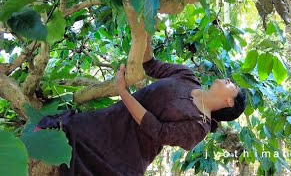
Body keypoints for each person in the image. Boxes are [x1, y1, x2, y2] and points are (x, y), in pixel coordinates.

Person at [35, 36, 247, 176]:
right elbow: (150, 64)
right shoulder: (188, 76)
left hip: (125, 156)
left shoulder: (199, 127)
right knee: (64, 131)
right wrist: (144, 30)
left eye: (233, 86)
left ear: (229, 102)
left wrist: (123, 92)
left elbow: (157, 130)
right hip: (109, 122)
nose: (229, 80)